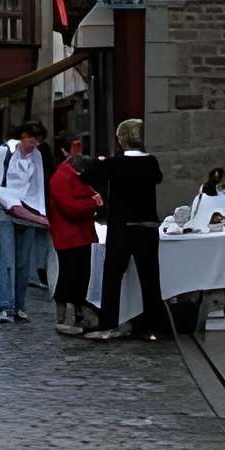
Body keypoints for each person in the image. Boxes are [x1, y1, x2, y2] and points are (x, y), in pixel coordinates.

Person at [84, 117, 172, 341]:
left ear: (122, 140)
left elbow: (88, 177)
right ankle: (152, 328)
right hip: (147, 227)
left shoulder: (115, 163)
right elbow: (157, 178)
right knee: (150, 279)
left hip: (122, 227)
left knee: (112, 277)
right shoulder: (151, 162)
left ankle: (109, 324)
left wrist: (99, 162)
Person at [0, 118, 50, 323]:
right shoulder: (4, 151)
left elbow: (38, 185)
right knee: (7, 259)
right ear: (22, 137)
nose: (35, 145)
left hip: (28, 211)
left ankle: (20, 305)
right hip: (7, 211)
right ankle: (6, 306)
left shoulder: (36, 155)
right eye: (32, 140)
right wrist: (13, 205)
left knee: (23, 262)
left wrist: (39, 213)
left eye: (38, 141)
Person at [46, 140, 103, 335]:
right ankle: (65, 317)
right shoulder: (61, 178)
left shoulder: (67, 175)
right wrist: (93, 204)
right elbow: (71, 208)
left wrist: (92, 201)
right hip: (69, 237)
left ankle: (77, 315)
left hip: (78, 235)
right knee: (70, 276)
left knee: (80, 276)